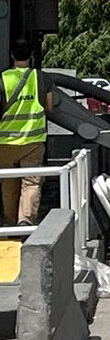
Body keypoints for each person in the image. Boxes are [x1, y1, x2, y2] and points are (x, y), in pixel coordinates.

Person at [0, 40, 54, 226]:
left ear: (12, 56)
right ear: (31, 56)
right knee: (31, 183)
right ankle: (25, 221)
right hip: (33, 140)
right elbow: (49, 106)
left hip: (6, 142)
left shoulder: (2, 79)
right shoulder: (42, 78)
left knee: (8, 184)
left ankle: (9, 222)